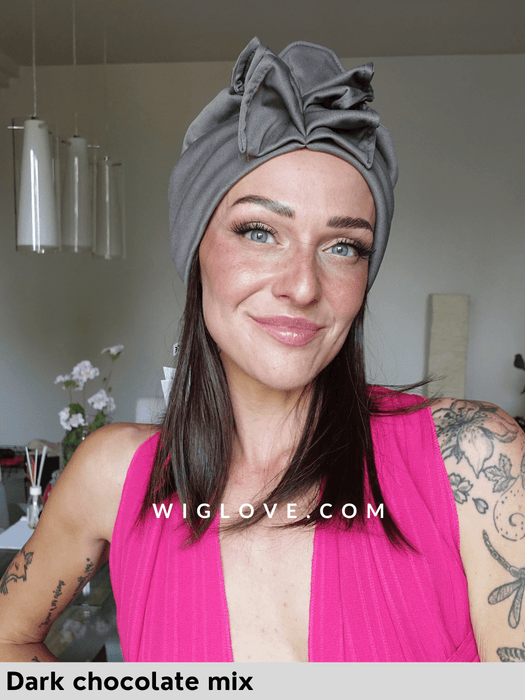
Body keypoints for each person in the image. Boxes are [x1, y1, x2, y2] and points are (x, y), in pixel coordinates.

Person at [0, 38, 524, 663]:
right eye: (259, 232)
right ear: (197, 250)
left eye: (343, 247)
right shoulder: (112, 477)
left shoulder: (477, 463)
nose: (302, 286)